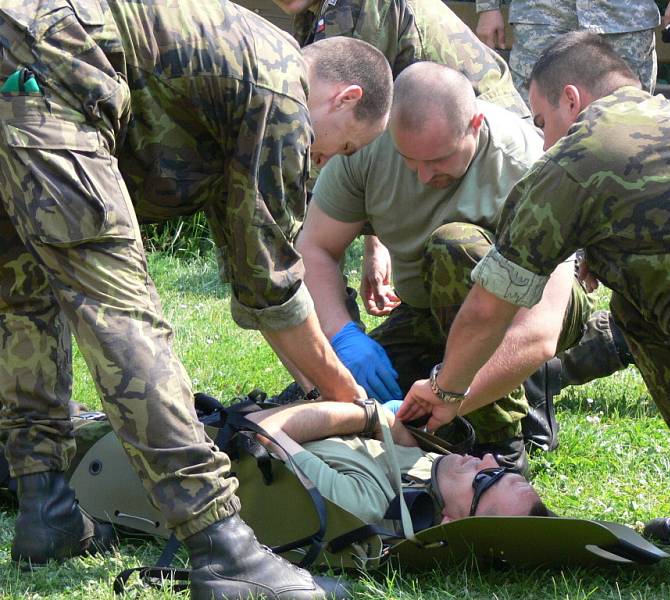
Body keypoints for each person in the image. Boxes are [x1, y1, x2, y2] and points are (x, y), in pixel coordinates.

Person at [0, 1, 393, 597]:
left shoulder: (236, 71)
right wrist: (346, 395)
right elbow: (271, 285)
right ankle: (223, 547)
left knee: (23, 293)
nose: (327, 160)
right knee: (121, 309)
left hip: (22, 50)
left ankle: (44, 508)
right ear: (344, 98)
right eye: (344, 148)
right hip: (51, 64)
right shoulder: (285, 95)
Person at [398, 32, 670, 599]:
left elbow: (491, 304)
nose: (542, 137)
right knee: (633, 310)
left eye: (540, 121)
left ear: (571, 99)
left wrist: (448, 388)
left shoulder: (577, 157)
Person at [297, 62, 592, 467]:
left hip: (529, 309)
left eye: (438, 160)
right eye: (409, 160)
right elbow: (315, 247)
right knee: (345, 402)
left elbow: (539, 331)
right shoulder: (367, 146)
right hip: (427, 311)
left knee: (454, 246)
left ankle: (499, 441)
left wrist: (453, 395)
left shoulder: (527, 163)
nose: (422, 175)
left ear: (474, 124)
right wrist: (344, 334)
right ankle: (525, 378)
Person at [245, 399, 549, 528]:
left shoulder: (365, 502)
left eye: (485, 480)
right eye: (499, 469)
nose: (487, 459)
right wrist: (386, 422)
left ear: (451, 521)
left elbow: (260, 432)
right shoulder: (425, 467)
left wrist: (370, 414)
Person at [270, 0, 530, 120]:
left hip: (485, 138)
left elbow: (345, 115)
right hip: (444, 133)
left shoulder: (358, 6)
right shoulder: (314, 12)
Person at [475, 0, 670, 96]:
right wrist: (488, 7)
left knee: (627, 127)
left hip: (624, 23)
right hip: (543, 20)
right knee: (535, 126)